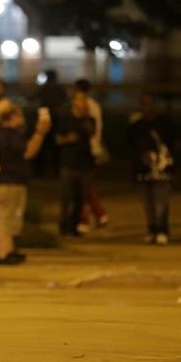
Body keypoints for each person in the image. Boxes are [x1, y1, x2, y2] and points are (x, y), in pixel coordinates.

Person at [0, 106, 50, 264]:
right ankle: (4, 253)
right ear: (12, 117)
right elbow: (28, 152)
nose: (22, 119)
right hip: (8, 183)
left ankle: (6, 249)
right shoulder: (12, 135)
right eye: (19, 116)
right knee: (7, 219)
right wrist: (40, 132)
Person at [127, 93, 174, 245]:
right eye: (143, 103)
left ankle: (162, 230)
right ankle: (152, 229)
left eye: (149, 103)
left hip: (162, 169)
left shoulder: (164, 123)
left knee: (161, 202)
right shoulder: (137, 125)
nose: (146, 106)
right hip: (143, 170)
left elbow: (175, 143)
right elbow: (130, 146)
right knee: (147, 203)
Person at [55, 90, 95, 236]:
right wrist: (68, 139)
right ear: (73, 101)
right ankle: (63, 225)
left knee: (80, 197)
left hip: (84, 163)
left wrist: (85, 118)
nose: (82, 103)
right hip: (68, 162)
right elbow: (57, 139)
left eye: (84, 100)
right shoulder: (66, 118)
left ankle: (75, 225)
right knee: (66, 197)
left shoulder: (89, 119)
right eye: (79, 100)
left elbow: (92, 133)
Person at [74, 79, 109, 233]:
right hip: (89, 149)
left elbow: (91, 128)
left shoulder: (88, 106)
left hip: (89, 150)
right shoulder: (94, 105)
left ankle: (93, 215)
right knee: (86, 184)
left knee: (85, 185)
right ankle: (97, 214)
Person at [34, 69, 67, 178]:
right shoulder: (60, 89)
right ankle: (56, 170)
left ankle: (39, 171)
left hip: (45, 118)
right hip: (57, 120)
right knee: (56, 147)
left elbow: (33, 97)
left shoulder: (44, 89)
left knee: (42, 146)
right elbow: (65, 100)